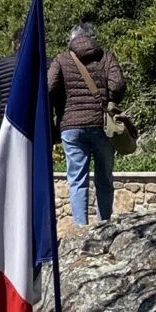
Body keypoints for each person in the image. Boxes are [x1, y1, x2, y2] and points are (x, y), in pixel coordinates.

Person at [48, 20, 127, 227]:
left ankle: (81, 228)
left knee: (77, 178)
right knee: (104, 178)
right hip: (101, 125)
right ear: (92, 38)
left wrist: (60, 106)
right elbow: (117, 84)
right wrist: (110, 101)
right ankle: (104, 226)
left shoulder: (62, 59)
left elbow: (48, 88)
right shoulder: (106, 57)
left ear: (71, 39)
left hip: (71, 125)